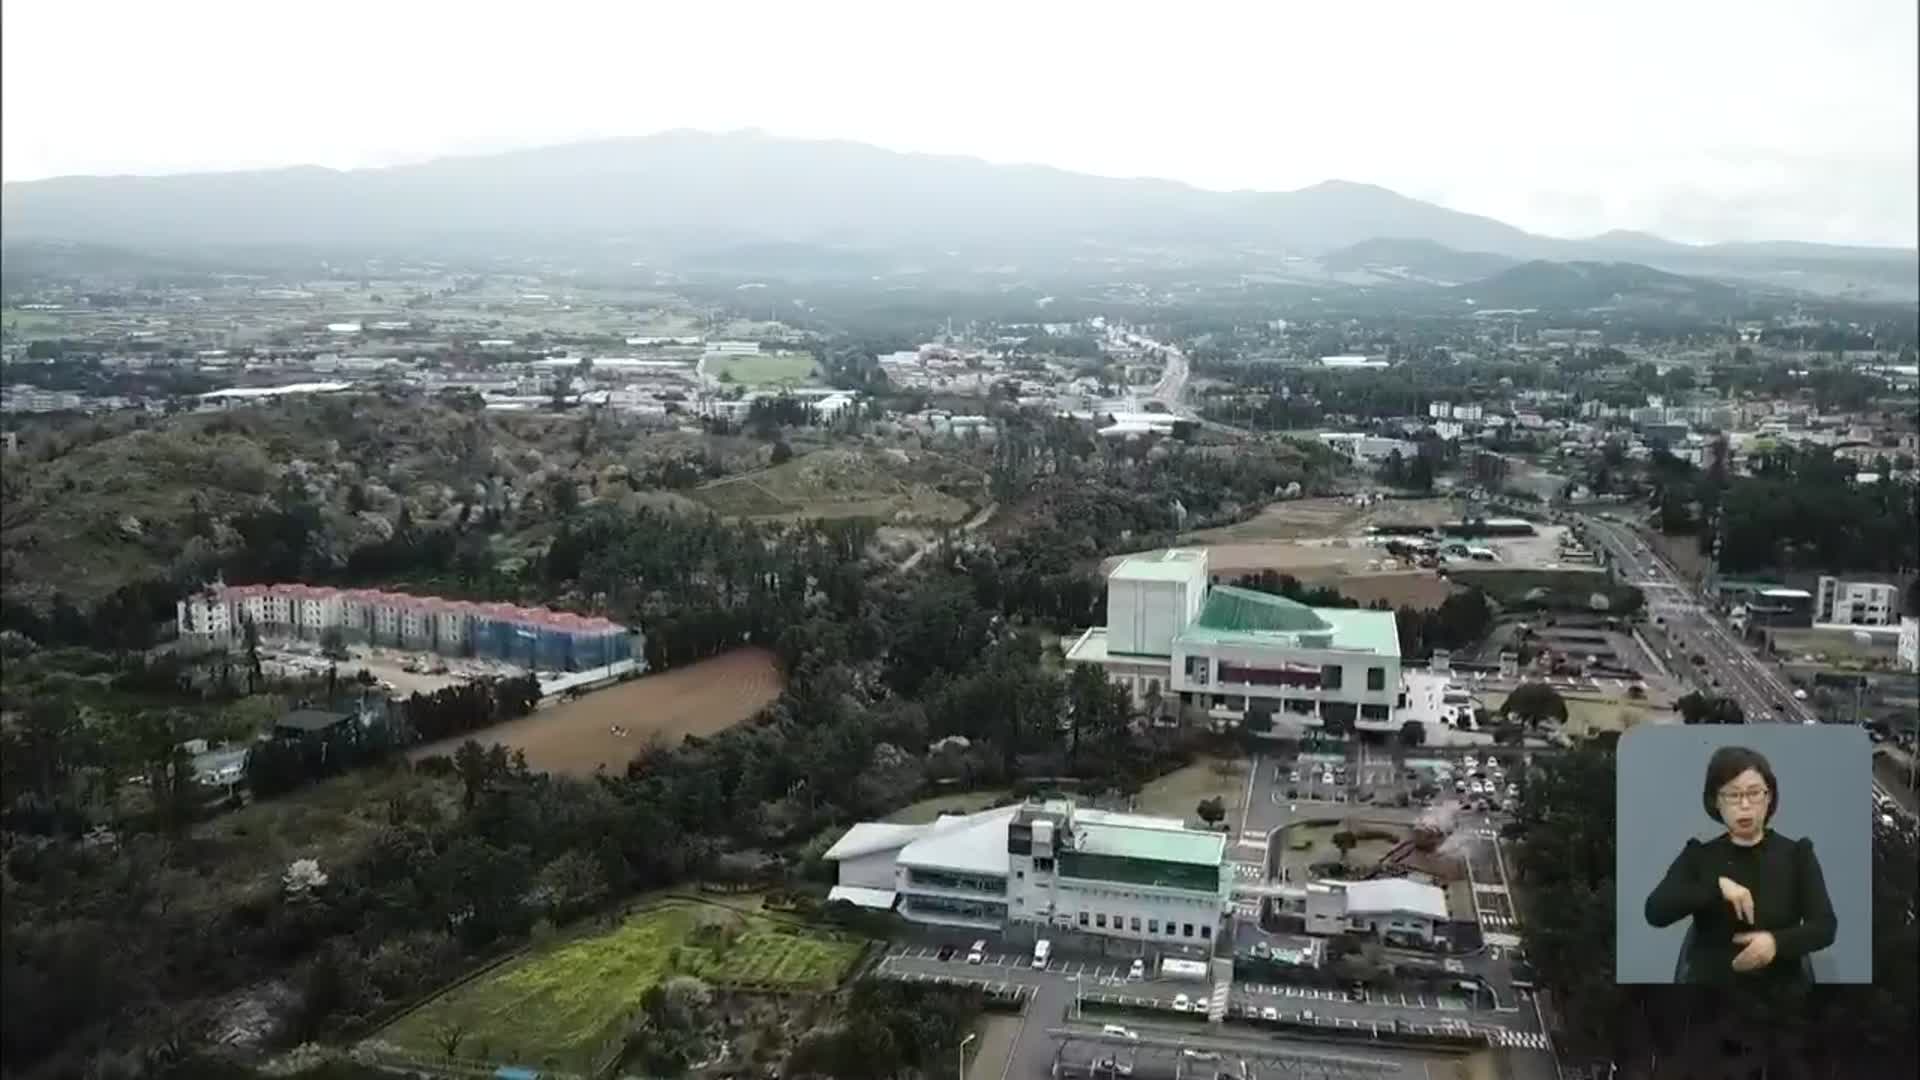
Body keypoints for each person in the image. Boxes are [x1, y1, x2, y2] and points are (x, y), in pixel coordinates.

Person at [1644, 745, 1835, 985]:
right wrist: (1716, 887)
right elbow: (1655, 911)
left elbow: (1825, 927)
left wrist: (1775, 943)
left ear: (1769, 798)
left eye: (1754, 793)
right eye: (1733, 795)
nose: (1744, 805)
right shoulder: (1699, 856)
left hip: (1780, 996)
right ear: (1716, 802)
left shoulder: (1797, 855)